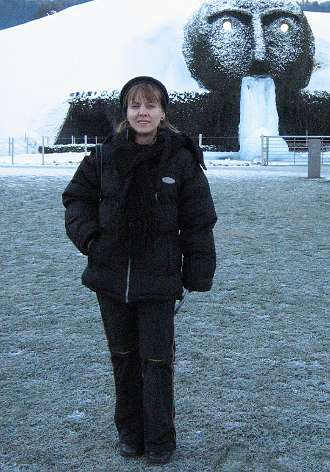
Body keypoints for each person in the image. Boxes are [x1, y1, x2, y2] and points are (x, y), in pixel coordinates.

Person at [62, 76, 217, 465]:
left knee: (157, 361)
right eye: (135, 105)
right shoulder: (102, 158)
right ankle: (130, 436)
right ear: (126, 112)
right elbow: (76, 200)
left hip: (159, 279)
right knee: (123, 357)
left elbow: (198, 220)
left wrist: (197, 273)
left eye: (150, 105)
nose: (142, 112)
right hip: (110, 277)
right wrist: (91, 240)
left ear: (163, 112)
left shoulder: (181, 160)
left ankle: (160, 441)